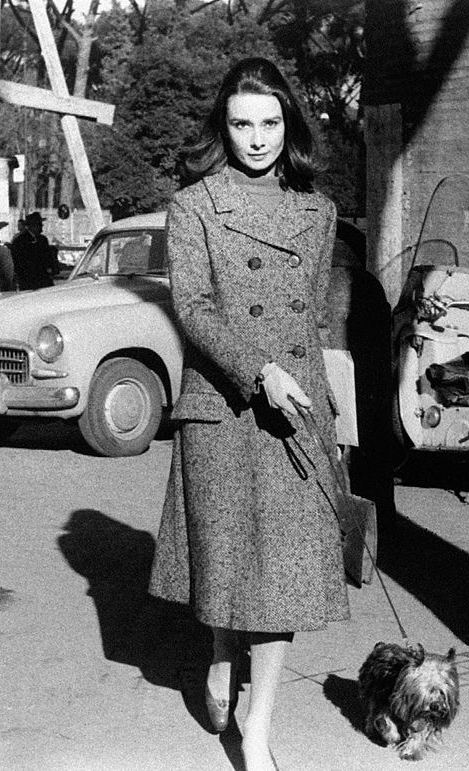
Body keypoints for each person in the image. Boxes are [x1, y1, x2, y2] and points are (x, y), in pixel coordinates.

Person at [147, 58, 346, 771]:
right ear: (222, 126)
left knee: (282, 576)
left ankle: (257, 729)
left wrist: (329, 410)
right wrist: (258, 371)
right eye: (240, 124)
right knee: (233, 567)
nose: (256, 139)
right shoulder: (195, 204)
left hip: (296, 412)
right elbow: (193, 308)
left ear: (287, 123)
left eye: (269, 123)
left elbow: (314, 320)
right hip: (227, 407)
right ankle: (220, 649)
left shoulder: (317, 211)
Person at [11, 212, 58, 289]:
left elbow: (47, 258)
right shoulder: (20, 241)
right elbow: (19, 263)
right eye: (39, 225)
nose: (41, 229)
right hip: (28, 281)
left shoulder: (43, 239)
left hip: (43, 279)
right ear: (32, 226)